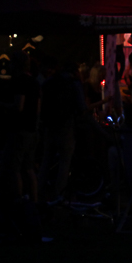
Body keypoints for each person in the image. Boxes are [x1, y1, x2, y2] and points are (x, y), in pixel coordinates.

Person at [38, 57, 85, 203]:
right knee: (65, 163)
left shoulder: (49, 82)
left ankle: (38, 193)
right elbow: (81, 107)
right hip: (66, 127)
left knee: (46, 161)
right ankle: (59, 196)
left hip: (49, 126)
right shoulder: (74, 84)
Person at [10, 51, 40, 201]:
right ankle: (34, 202)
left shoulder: (19, 81)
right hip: (32, 129)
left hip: (20, 129)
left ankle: (17, 202)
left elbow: (18, 106)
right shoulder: (34, 81)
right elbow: (38, 109)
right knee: (28, 168)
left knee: (15, 168)